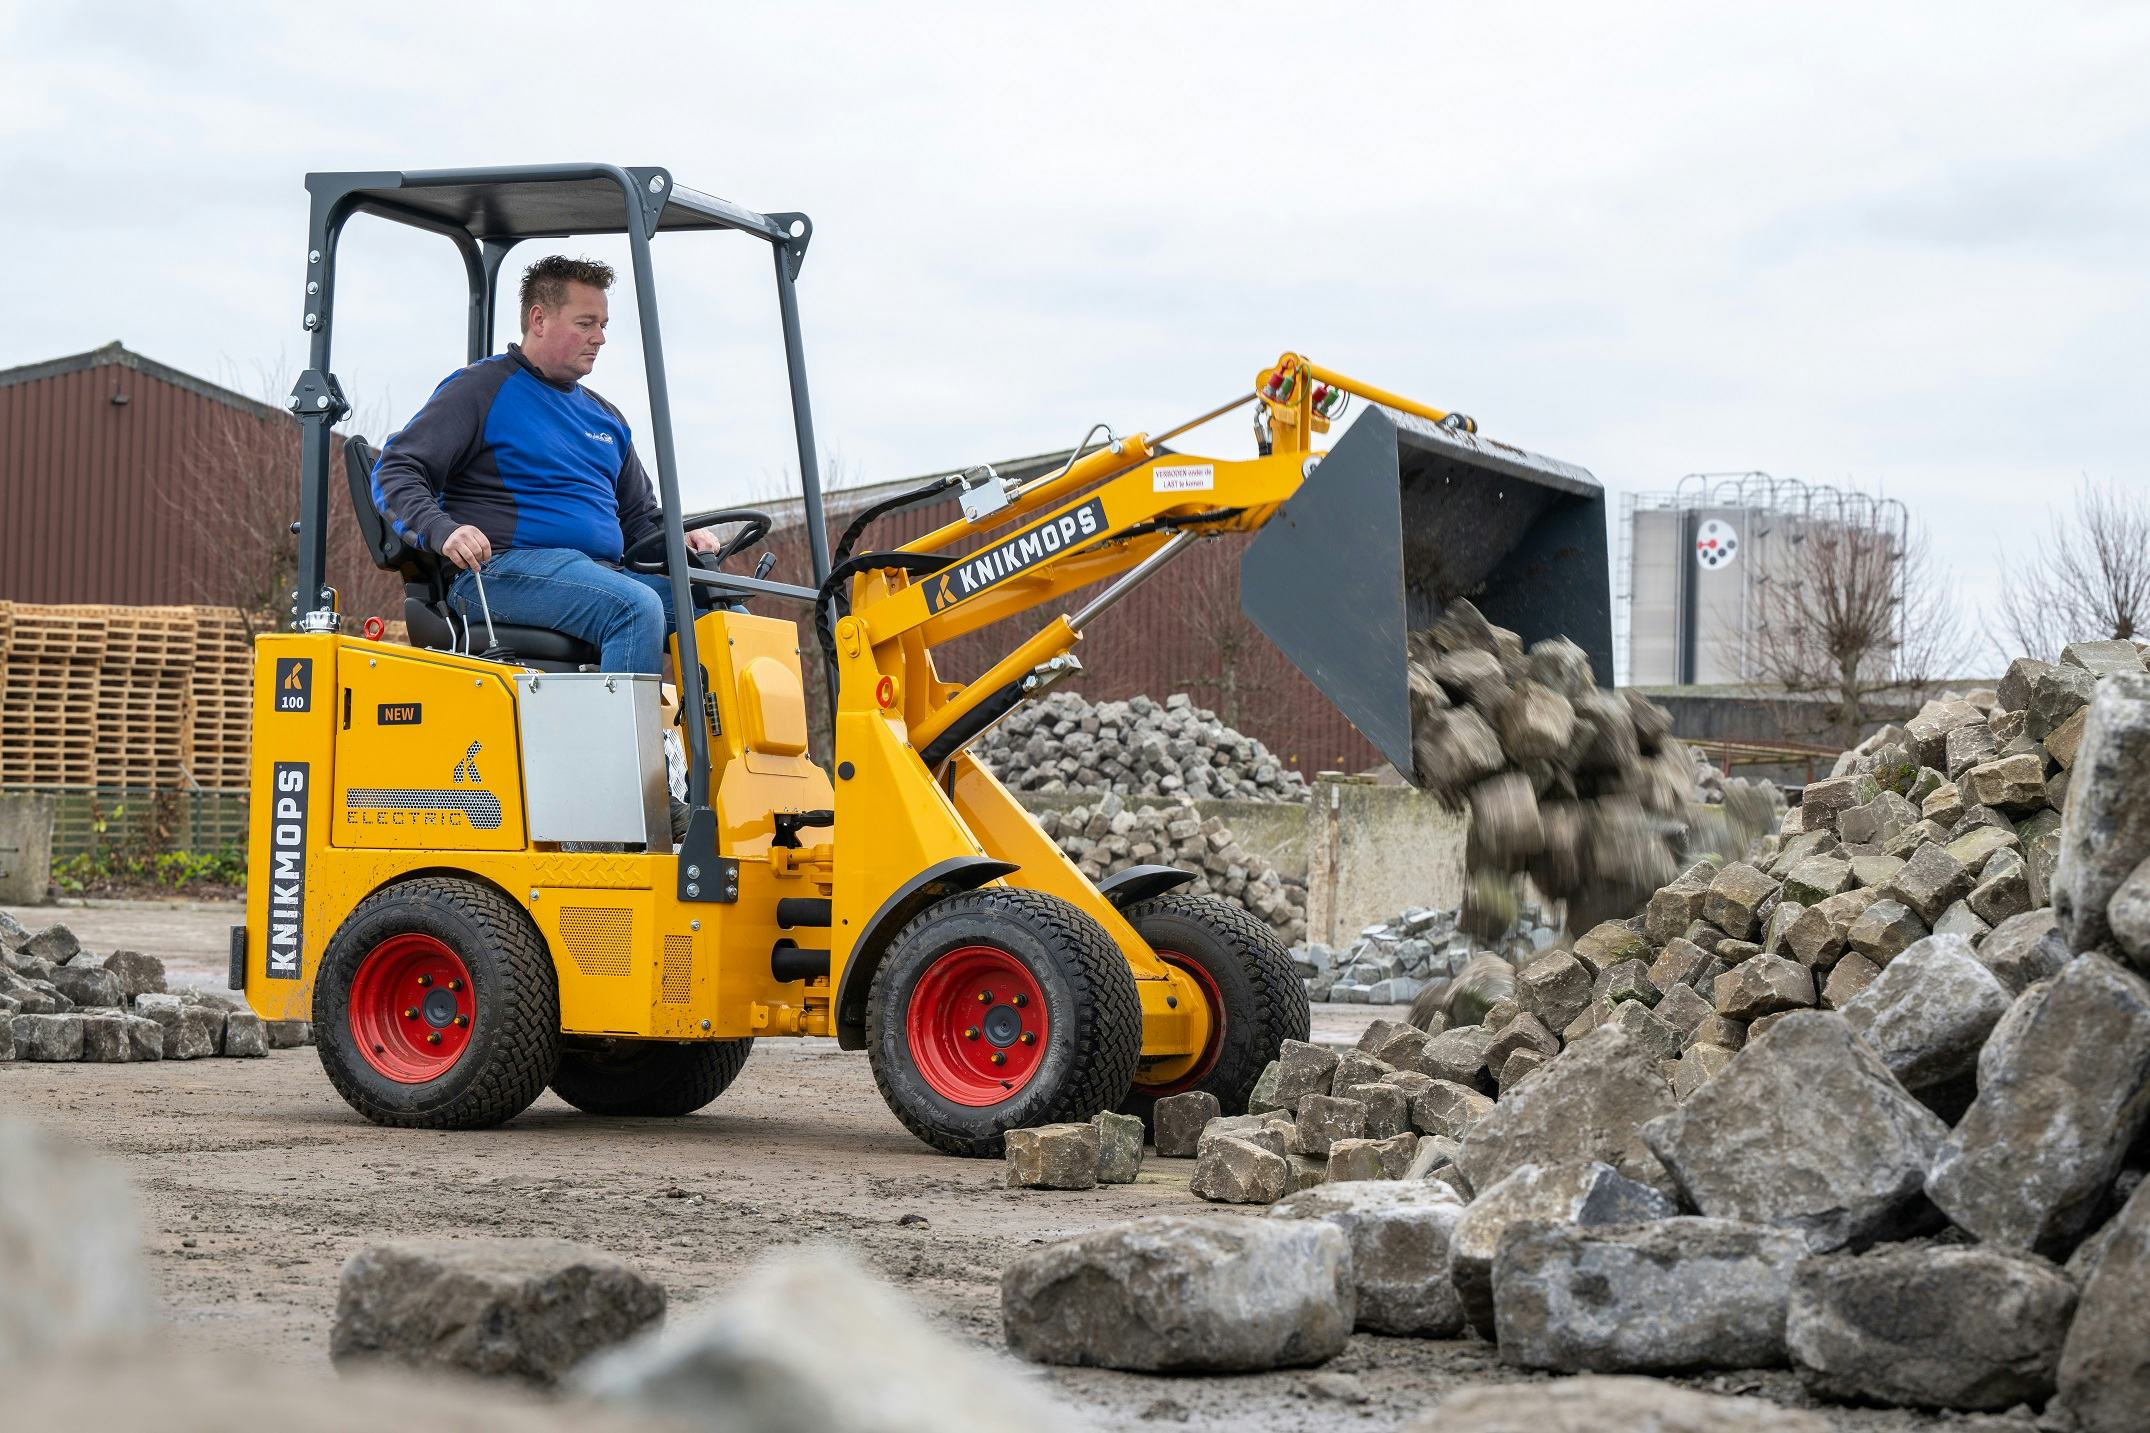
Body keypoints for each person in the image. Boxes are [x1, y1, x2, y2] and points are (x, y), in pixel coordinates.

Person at [369, 255, 718, 674]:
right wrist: (444, 531)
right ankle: (617, 740)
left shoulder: (606, 419)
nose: (600, 338)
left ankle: (713, 742)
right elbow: (397, 469)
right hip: (497, 572)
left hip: (598, 575)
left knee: (722, 618)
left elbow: (640, 522)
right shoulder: (481, 390)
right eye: (585, 323)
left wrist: (680, 538)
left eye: (603, 325)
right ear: (539, 319)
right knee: (635, 607)